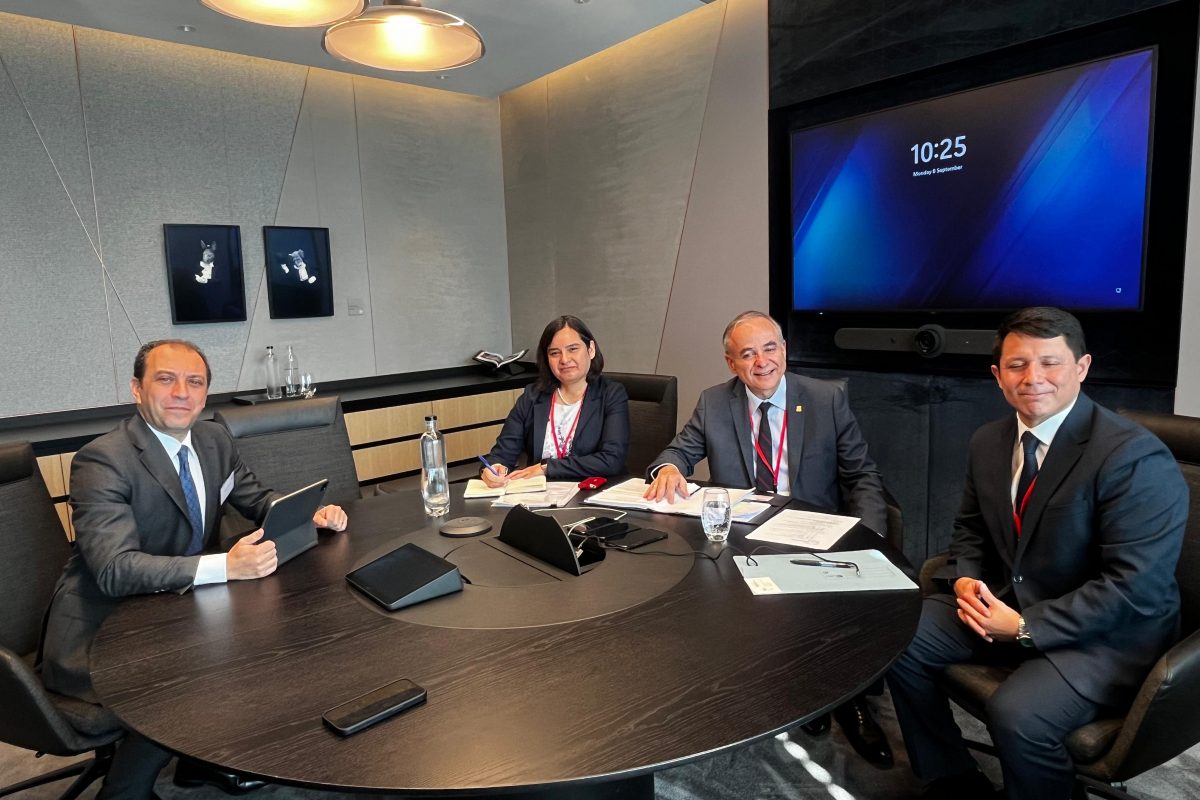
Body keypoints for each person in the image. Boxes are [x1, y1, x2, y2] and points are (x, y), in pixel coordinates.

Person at [887, 307, 1188, 800]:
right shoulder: (989, 441)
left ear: (1082, 368)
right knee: (894, 638)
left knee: (1018, 715)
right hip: (1008, 601)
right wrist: (964, 578)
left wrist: (1026, 627)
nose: (1033, 378)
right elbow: (970, 529)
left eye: (1050, 362)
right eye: (1017, 365)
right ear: (997, 375)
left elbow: (1136, 588)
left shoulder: (1132, 456)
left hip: (1106, 636)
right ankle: (953, 778)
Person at [40, 339, 349, 800]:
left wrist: (310, 514)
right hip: (101, 629)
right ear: (137, 389)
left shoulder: (213, 440)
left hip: (177, 609)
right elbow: (114, 570)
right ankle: (123, 792)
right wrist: (226, 566)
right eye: (166, 380)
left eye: (194, 382)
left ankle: (201, 760)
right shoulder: (103, 460)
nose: (181, 392)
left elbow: (257, 500)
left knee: (280, 631)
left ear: (205, 395)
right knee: (189, 671)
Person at [643, 310, 893, 765]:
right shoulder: (715, 402)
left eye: (770, 348)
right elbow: (679, 450)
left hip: (812, 529)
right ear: (731, 363)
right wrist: (669, 468)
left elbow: (862, 475)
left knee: (835, 611)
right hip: (745, 535)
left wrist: (868, 535)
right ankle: (797, 692)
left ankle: (850, 700)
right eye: (747, 354)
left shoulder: (824, 399)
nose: (762, 362)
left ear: (785, 350)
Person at [480, 315, 629, 486]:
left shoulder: (611, 394)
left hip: (590, 491)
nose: (564, 359)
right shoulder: (532, 396)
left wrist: (546, 468)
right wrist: (494, 467)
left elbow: (612, 460)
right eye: (554, 353)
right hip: (538, 492)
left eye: (573, 349)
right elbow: (502, 452)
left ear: (591, 349)